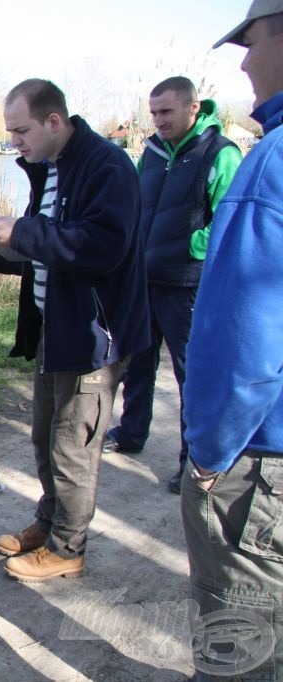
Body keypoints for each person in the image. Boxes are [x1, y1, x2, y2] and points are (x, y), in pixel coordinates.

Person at [0, 79, 149, 582]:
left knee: (73, 446)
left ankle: (68, 549)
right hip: (55, 330)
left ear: (53, 121)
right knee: (45, 437)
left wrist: (20, 232)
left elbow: (101, 247)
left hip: (92, 338)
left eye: (21, 130)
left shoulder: (107, 167)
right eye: (10, 132)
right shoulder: (51, 170)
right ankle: (49, 523)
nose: (14, 142)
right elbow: (50, 252)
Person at [181, 3, 283, 678]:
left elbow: (246, 341)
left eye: (253, 40)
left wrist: (210, 456)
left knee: (241, 645)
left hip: (264, 459)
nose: (243, 61)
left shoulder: (268, 165)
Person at [103, 76, 241, 496]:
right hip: (144, 278)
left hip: (187, 284)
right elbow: (134, 205)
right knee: (138, 362)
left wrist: (187, 247)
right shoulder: (152, 151)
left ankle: (193, 460)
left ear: (193, 108)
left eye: (166, 112)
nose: (158, 120)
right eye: (153, 113)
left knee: (190, 375)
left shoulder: (221, 153)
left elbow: (229, 224)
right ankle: (131, 432)